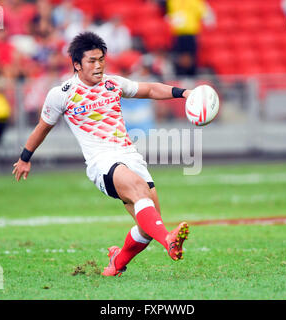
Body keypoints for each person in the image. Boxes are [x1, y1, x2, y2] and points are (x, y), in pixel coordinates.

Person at [12, 32, 192, 277]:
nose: (98, 66)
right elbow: (43, 127)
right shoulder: (61, 94)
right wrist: (25, 157)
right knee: (139, 192)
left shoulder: (113, 84)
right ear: (77, 64)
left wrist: (183, 93)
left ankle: (116, 263)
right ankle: (169, 241)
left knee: (148, 225)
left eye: (101, 59)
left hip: (130, 155)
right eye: (91, 61)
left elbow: (149, 90)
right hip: (102, 161)